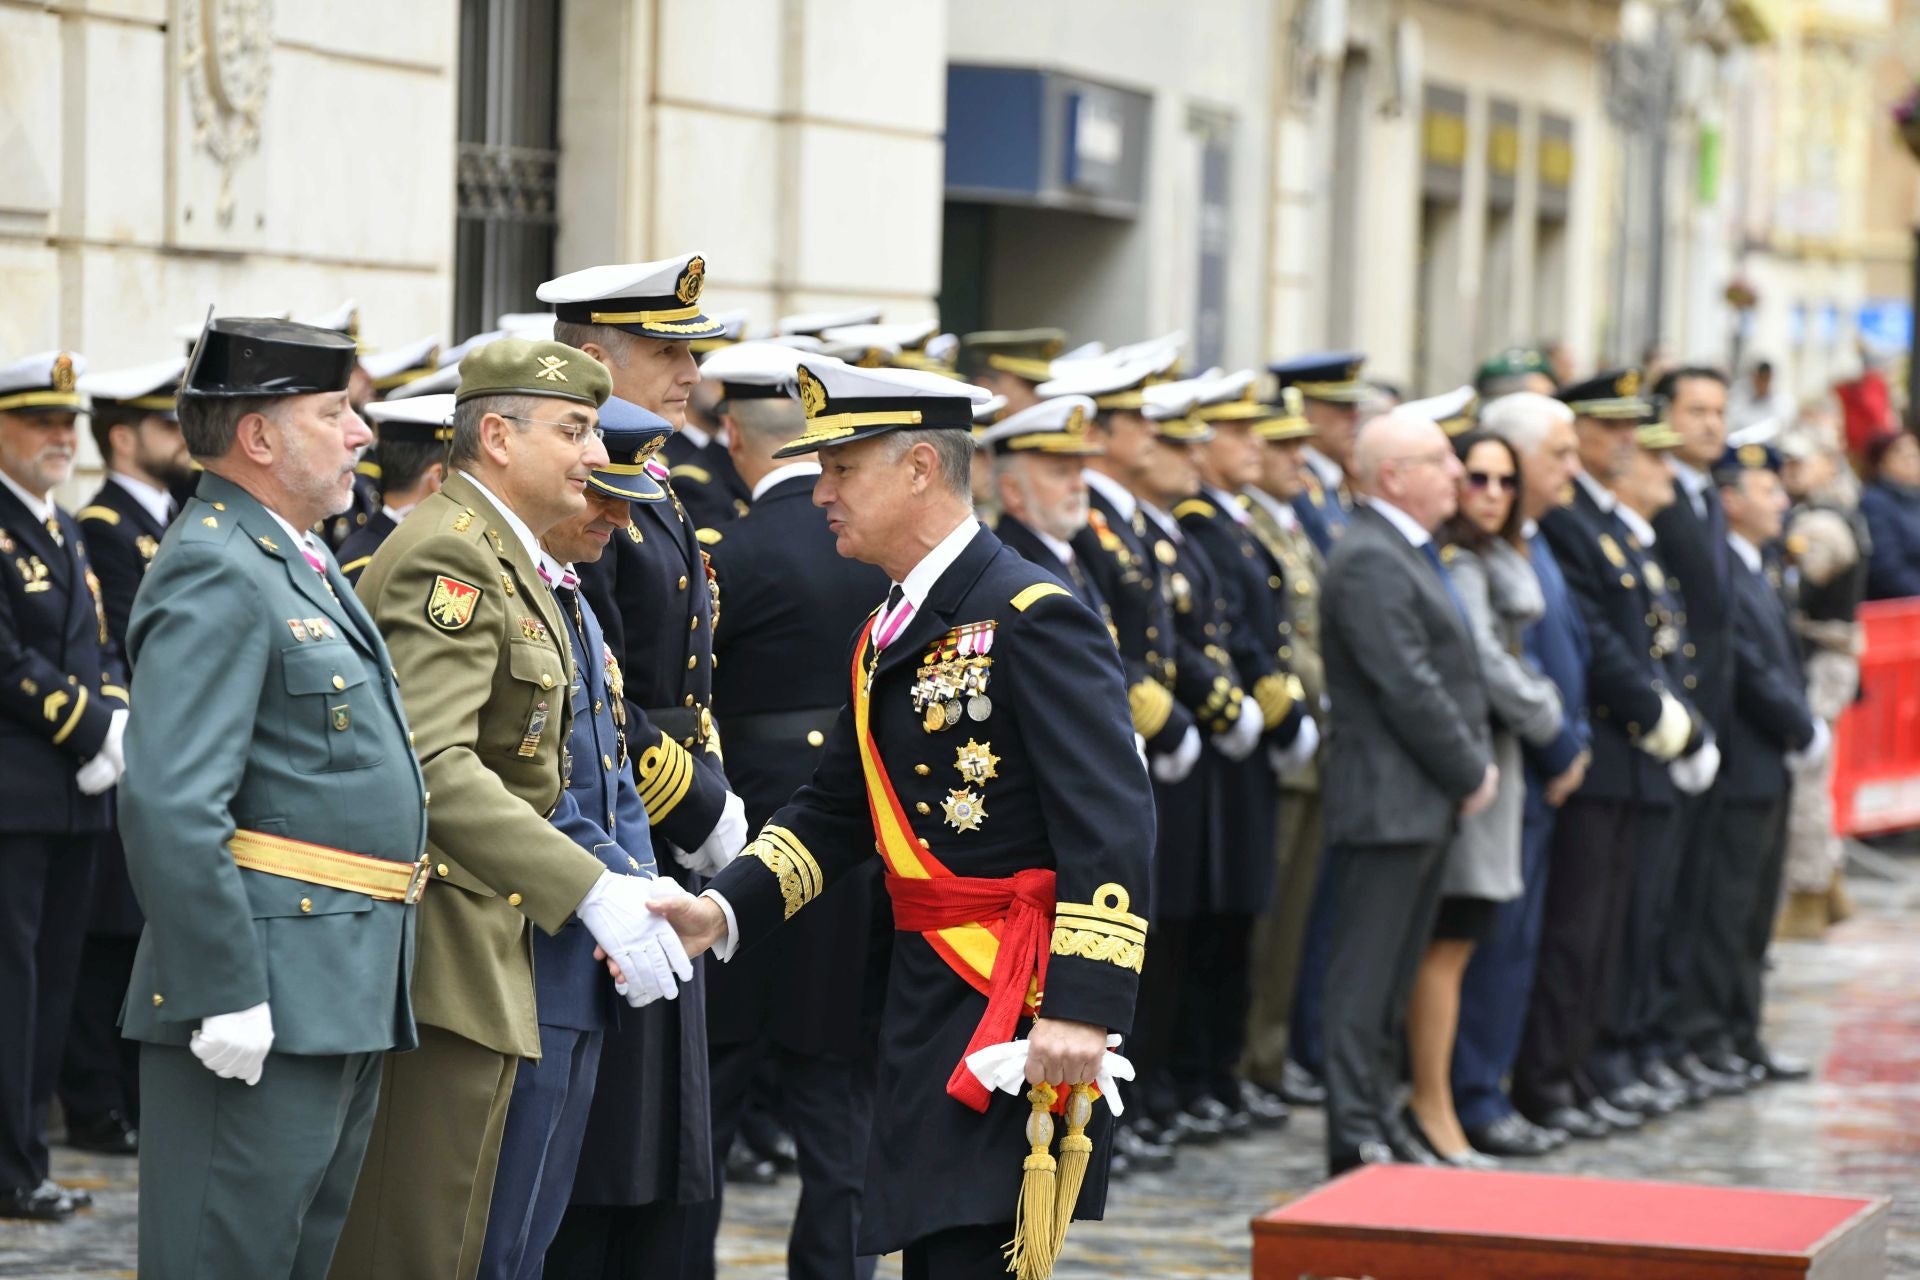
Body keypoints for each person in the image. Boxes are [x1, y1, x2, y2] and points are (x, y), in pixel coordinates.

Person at [649, 355, 1153, 1279]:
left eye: (842, 470)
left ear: (920, 467)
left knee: (969, 1249)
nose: (820, 494)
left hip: (1010, 995)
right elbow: (837, 811)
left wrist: (1084, 1009)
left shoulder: (1030, 614)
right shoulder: (888, 626)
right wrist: (722, 910)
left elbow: (1111, 822)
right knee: (932, 1243)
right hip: (922, 991)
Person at [332, 337, 692, 1280]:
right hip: (479, 949)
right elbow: (431, 761)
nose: (591, 454)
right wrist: (590, 889)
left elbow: (573, 766)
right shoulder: (449, 558)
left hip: (546, 948)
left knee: (518, 1241)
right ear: (496, 435)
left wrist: (628, 889)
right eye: (572, 430)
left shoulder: (517, 562)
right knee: (460, 1243)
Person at [114, 319, 418, 1275]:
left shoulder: (290, 553)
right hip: (260, 991)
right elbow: (171, 800)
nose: (362, 433)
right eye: (334, 412)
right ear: (259, 437)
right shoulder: (216, 563)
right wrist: (222, 989)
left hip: (338, 982)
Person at [540, 253, 745, 1277]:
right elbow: (597, 688)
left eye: (692, 350)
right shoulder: (582, 492)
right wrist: (697, 797)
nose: (690, 370)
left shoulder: (653, 479)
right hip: (619, 827)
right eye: (666, 351)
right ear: (588, 358)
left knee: (665, 1125)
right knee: (610, 1133)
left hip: (666, 829)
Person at [695, 339, 893, 1280]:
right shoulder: (882, 552)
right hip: (854, 844)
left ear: (734, 435)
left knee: (714, 1091)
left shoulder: (725, 555)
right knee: (834, 1092)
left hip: (737, 843)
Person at [478, 401, 673, 1280]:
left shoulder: (570, 600)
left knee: (537, 1216)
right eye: (599, 493)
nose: (618, 518)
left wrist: (640, 887)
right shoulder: (501, 587)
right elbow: (521, 782)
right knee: (498, 1219)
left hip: (580, 934)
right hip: (523, 934)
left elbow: (611, 770)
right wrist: (608, 892)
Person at [1517, 370, 1706, 1139]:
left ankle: (1581, 1068)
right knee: (1575, 930)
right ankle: (1550, 1077)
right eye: (1609, 428)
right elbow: (1596, 640)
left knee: (1606, 931)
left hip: (1630, 756)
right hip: (1602, 746)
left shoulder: (1610, 521)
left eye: (1632, 427)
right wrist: (1661, 717)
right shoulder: (1570, 521)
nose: (1626, 440)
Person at [1317, 408, 1495, 1176]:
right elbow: (1408, 685)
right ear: (1393, 476)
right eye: (1440, 459)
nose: (1457, 472)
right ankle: (1353, 1129)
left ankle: (1378, 1117)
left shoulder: (1405, 550)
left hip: (1415, 800)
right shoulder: (1370, 558)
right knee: (1364, 974)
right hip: (1390, 800)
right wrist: (1471, 770)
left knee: (1392, 973)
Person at [1407, 429, 1562, 1168]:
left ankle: (1445, 1105)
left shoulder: (1504, 556)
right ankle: (1434, 1107)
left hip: (1495, 767)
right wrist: (1548, 712)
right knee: (1447, 942)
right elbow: (1484, 662)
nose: (1493, 493)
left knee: (1465, 941)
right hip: (1469, 770)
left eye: (1506, 480)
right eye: (1477, 478)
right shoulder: (1461, 561)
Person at [0, 351, 126, 1222]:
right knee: (13, 988)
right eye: (42, 420)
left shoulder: (64, 525)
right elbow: (5, 658)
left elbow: (103, 644)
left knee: (53, 982)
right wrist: (86, 725)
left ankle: (26, 1159)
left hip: (79, 798)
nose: (61, 437)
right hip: (17, 797)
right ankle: (10, 1166)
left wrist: (114, 716)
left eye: (68, 422)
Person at [1174, 373, 1317, 1133]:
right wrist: (1259, 699)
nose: (1252, 446)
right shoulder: (1203, 524)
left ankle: (1219, 1069)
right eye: (1236, 433)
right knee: (1204, 920)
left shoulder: (1230, 525)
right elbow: (1222, 635)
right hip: (1213, 743)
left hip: (1244, 741)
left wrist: (1278, 701)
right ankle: (1196, 1073)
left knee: (1236, 915)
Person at [57, 355, 191, 1159]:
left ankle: (124, 1098)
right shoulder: (106, 527)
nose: (180, 436)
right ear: (121, 436)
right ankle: (97, 1103)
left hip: (163, 757)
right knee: (106, 942)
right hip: (125, 749)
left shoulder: (169, 517)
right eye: (164, 423)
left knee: (137, 932)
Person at [1455, 392, 1590, 1159]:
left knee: (1525, 939)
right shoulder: (1477, 554)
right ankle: (1474, 1090)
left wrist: (1575, 743)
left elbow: (1571, 652)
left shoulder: (1534, 541)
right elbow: (1504, 666)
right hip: (1512, 768)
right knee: (1495, 939)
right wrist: (1557, 743)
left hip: (1547, 768)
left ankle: (1494, 1083)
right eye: (1559, 454)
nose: (1570, 468)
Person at [1680, 444, 1825, 1084]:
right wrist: (1801, 726)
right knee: (1724, 909)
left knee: (1755, 912)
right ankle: (1712, 1037)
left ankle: (1744, 1034)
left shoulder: (1758, 563)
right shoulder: (1726, 570)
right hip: (1744, 759)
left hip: (1770, 763)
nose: (1781, 503)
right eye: (1769, 492)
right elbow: (1749, 667)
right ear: (1732, 501)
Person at [1647, 366, 1749, 1105]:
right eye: (1696, 410)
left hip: (1710, 730)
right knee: (1652, 904)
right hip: (1665, 730)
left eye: (1718, 410)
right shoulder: (1657, 502)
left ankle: (1673, 1037)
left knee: (1688, 895)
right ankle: (1647, 1040)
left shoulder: (1706, 496)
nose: (1711, 424)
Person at [1238, 388, 1333, 1112]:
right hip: (1286, 738)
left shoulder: (1291, 527)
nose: (1298, 457)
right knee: (1265, 917)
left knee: (1294, 914)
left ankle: (1269, 1053)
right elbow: (1283, 640)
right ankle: (1251, 1056)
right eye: (1282, 445)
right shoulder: (1252, 530)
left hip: (1314, 740)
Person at [1775, 432, 1867, 938]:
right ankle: (1828, 884)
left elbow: (1796, 589)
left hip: (1820, 661)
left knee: (1806, 777)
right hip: (1821, 658)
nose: (1787, 472)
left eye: (1797, 463)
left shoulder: (1822, 521)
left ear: (1827, 465)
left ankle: (1809, 893)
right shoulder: (1820, 510)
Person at [982, 395, 1107, 608]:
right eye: (1060, 473)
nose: (1079, 485)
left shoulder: (1067, 550)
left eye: (1080, 470)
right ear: (1012, 490)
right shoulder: (1011, 566)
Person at [1268, 352, 1370, 554]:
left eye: (1354, 405)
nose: (1354, 415)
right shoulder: (1296, 484)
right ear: (1302, 411)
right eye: (1341, 405)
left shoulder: (1332, 481)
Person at [1857, 430, 1920, 600]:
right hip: (1898, 606)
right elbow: (1886, 569)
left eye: (1914, 454)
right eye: (1900, 453)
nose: (1911, 460)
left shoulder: (1915, 497)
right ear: (1880, 463)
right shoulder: (1874, 503)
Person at [1727, 359, 1790, 435]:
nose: (1762, 384)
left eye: (1765, 379)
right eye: (1760, 379)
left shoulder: (1780, 404)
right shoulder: (1739, 397)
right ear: (1754, 378)